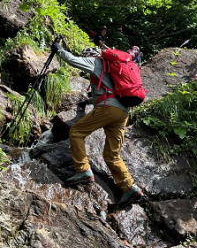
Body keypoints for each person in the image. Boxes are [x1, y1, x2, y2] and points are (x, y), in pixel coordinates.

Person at [50, 41, 143, 207]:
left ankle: (83, 170)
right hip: (123, 113)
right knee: (112, 155)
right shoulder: (117, 65)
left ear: (91, 54)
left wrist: (59, 50)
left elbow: (72, 60)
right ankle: (129, 187)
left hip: (108, 107)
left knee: (77, 132)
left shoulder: (96, 61)